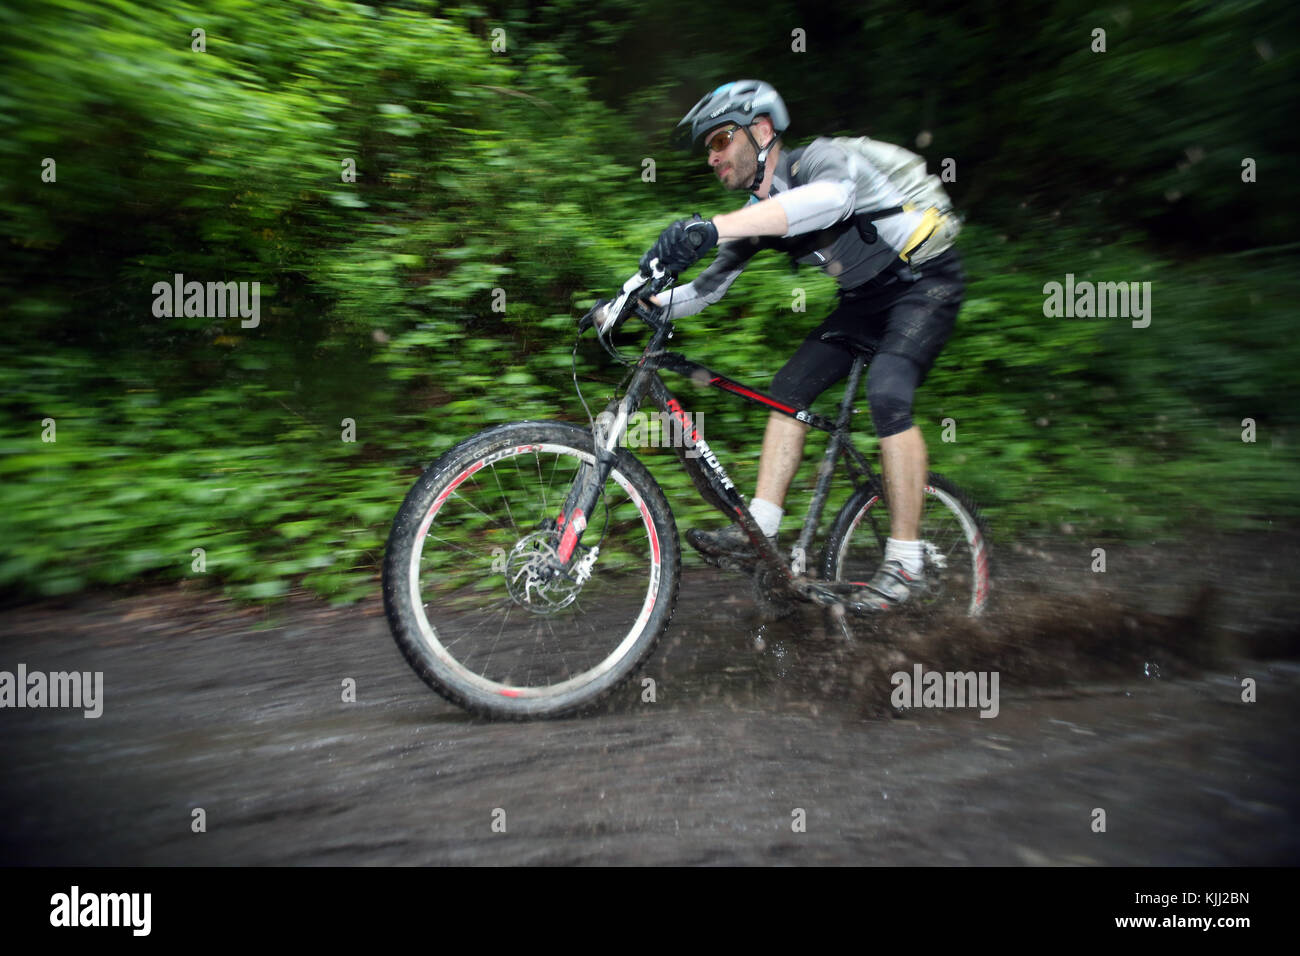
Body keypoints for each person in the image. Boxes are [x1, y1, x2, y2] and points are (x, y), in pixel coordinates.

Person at [640, 79, 965, 611]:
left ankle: (905, 562)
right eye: (709, 149)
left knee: (887, 395)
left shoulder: (821, 160)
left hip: (924, 283)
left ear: (762, 130)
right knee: (787, 389)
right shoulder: (756, 216)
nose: (713, 157)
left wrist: (713, 227)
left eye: (720, 140)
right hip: (864, 299)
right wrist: (630, 303)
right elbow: (703, 292)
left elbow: (832, 201)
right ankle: (760, 529)